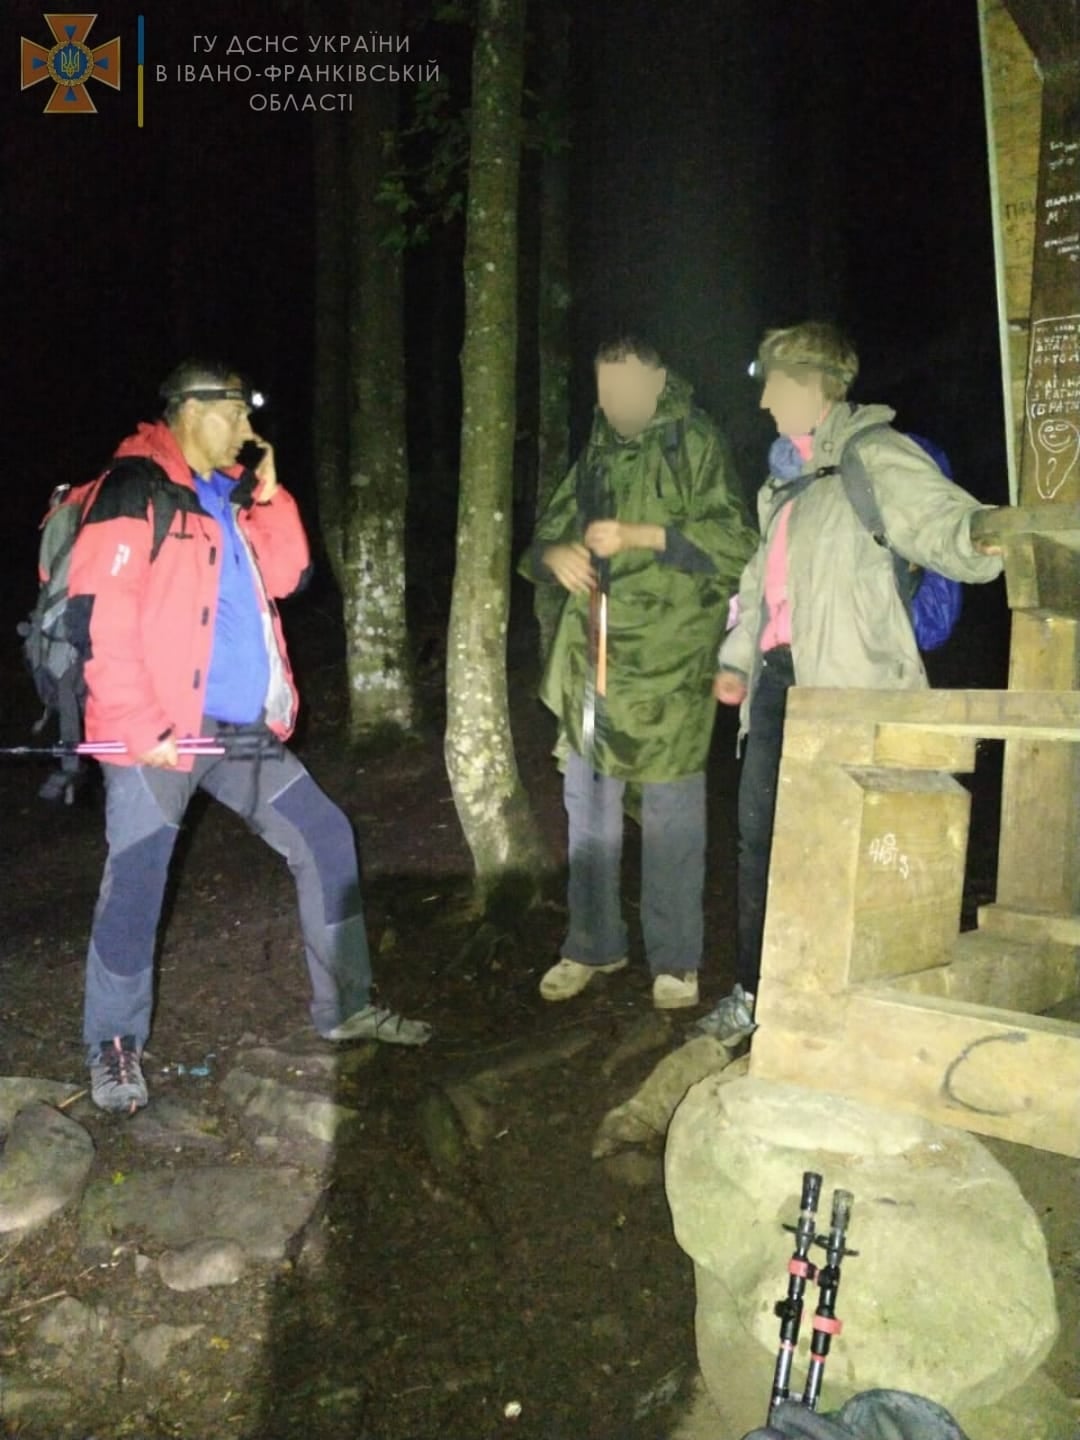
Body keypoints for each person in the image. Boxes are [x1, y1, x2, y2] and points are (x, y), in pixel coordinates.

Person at [69, 360, 431, 1114]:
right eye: (235, 412)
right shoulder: (134, 487)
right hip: (156, 731)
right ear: (190, 409)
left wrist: (269, 495)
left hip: (236, 729)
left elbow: (290, 574)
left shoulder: (229, 494)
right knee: (137, 880)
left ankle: (346, 1007)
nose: (247, 428)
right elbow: (97, 616)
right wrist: (141, 725)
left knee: (324, 836)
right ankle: (113, 1046)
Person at [696, 322, 1003, 1046]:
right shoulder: (784, 485)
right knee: (761, 841)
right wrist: (736, 659)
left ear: (815, 384)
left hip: (851, 685)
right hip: (779, 684)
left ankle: (848, 1002)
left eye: (774, 384)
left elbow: (944, 522)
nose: (764, 402)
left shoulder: (875, 456)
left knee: (848, 843)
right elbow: (759, 586)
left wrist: (983, 534)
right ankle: (757, 991)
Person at [521, 338, 757, 1010]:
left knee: (671, 814)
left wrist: (642, 536)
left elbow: (740, 544)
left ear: (657, 384)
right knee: (588, 808)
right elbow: (541, 542)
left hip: (671, 663)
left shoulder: (694, 442)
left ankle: (676, 959)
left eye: (626, 390)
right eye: (605, 391)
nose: (614, 405)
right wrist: (555, 554)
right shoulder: (598, 447)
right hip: (595, 656)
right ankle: (593, 944)